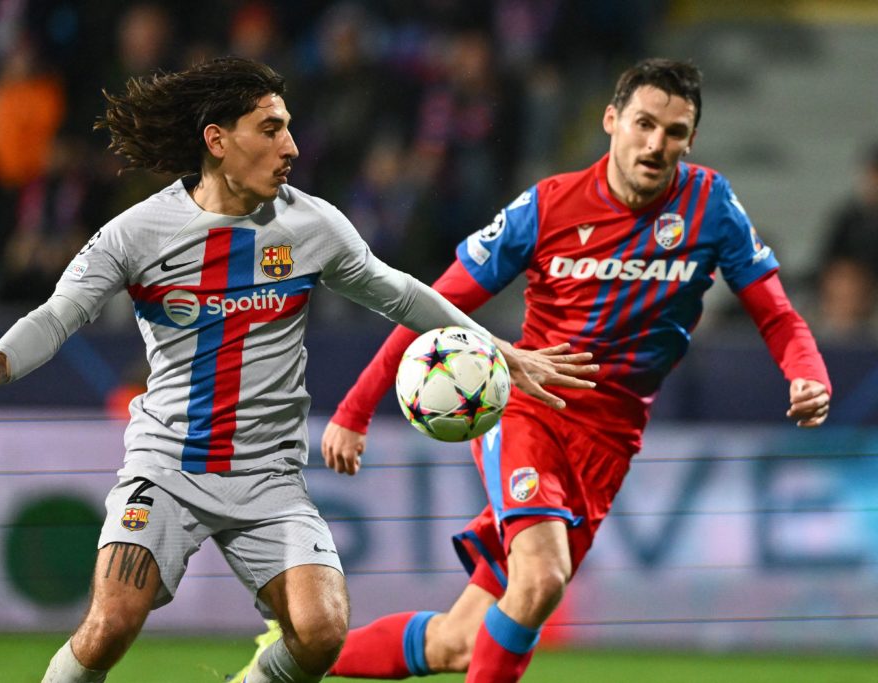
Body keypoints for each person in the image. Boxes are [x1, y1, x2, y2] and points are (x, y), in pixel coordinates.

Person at [0, 57, 596, 683]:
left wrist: (500, 350)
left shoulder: (311, 226)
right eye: (270, 129)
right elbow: (56, 315)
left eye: (289, 128)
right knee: (109, 627)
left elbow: (400, 291)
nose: (290, 146)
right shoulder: (137, 233)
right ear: (217, 141)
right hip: (167, 465)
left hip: (267, 478)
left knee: (322, 634)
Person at [239, 58, 833, 682]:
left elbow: (776, 313)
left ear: (690, 139)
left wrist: (807, 370)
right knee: (541, 577)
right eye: (644, 124)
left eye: (675, 132)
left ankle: (282, 658)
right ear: (612, 121)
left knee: (457, 643)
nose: (656, 144)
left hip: (610, 438)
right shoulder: (548, 207)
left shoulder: (711, 207)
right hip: (530, 405)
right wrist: (357, 409)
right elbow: (434, 303)